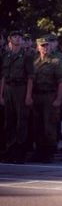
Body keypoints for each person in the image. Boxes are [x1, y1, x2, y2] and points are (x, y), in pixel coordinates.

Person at [0, 30, 34, 164]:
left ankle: (21, 151)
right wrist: (1, 94)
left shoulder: (26, 56)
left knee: (21, 120)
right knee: (9, 120)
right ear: (10, 40)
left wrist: (28, 95)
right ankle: (11, 149)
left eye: (20, 37)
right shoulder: (6, 55)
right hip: (8, 88)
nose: (18, 39)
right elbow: (3, 77)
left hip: (21, 88)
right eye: (15, 36)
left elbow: (30, 77)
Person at [31, 36, 62, 163]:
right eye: (42, 46)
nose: (45, 48)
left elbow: (61, 82)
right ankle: (39, 151)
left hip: (49, 96)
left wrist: (58, 99)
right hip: (37, 96)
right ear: (37, 48)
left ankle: (49, 152)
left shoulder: (56, 62)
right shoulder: (34, 63)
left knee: (49, 125)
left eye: (47, 45)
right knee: (37, 125)